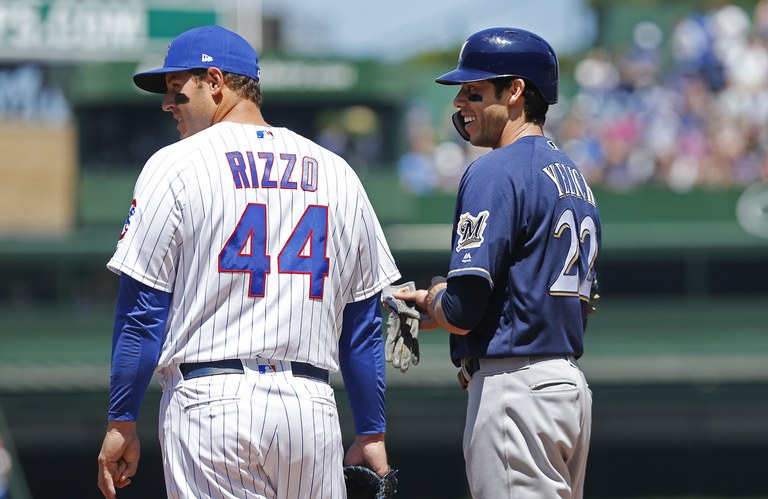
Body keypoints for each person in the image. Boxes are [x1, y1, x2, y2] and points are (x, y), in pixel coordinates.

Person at [96, 25, 401, 499]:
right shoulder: (337, 171)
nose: (166, 104)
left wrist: (121, 419)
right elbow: (362, 322)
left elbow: (142, 314)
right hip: (310, 410)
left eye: (177, 91)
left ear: (215, 82)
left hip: (209, 404)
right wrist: (371, 432)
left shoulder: (174, 164)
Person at [395, 27, 601, 498]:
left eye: (475, 91)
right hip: (566, 388)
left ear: (515, 92)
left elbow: (464, 310)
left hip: (515, 390)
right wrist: (433, 313)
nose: (460, 104)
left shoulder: (494, 170)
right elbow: (539, 300)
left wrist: (432, 299)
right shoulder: (574, 178)